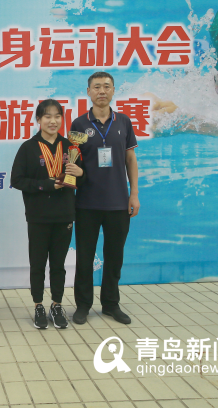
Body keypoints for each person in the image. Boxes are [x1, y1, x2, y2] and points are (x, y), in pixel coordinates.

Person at [71, 72, 139, 325]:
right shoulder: (79, 124)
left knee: (114, 256)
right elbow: (73, 160)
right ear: (88, 91)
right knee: (85, 257)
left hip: (118, 203)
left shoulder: (124, 121)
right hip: (86, 203)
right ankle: (83, 305)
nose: (102, 91)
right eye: (97, 87)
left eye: (106, 87)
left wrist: (134, 194)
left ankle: (111, 304)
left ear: (113, 90)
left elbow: (130, 159)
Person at [11, 99, 85, 329]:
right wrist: (45, 184)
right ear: (38, 119)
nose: (53, 121)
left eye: (57, 116)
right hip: (38, 216)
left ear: (62, 119)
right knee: (37, 263)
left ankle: (56, 304)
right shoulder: (28, 147)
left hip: (65, 215)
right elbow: (17, 180)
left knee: (58, 265)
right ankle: (38, 305)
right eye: (47, 116)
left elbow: (82, 179)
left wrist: (81, 173)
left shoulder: (71, 147)